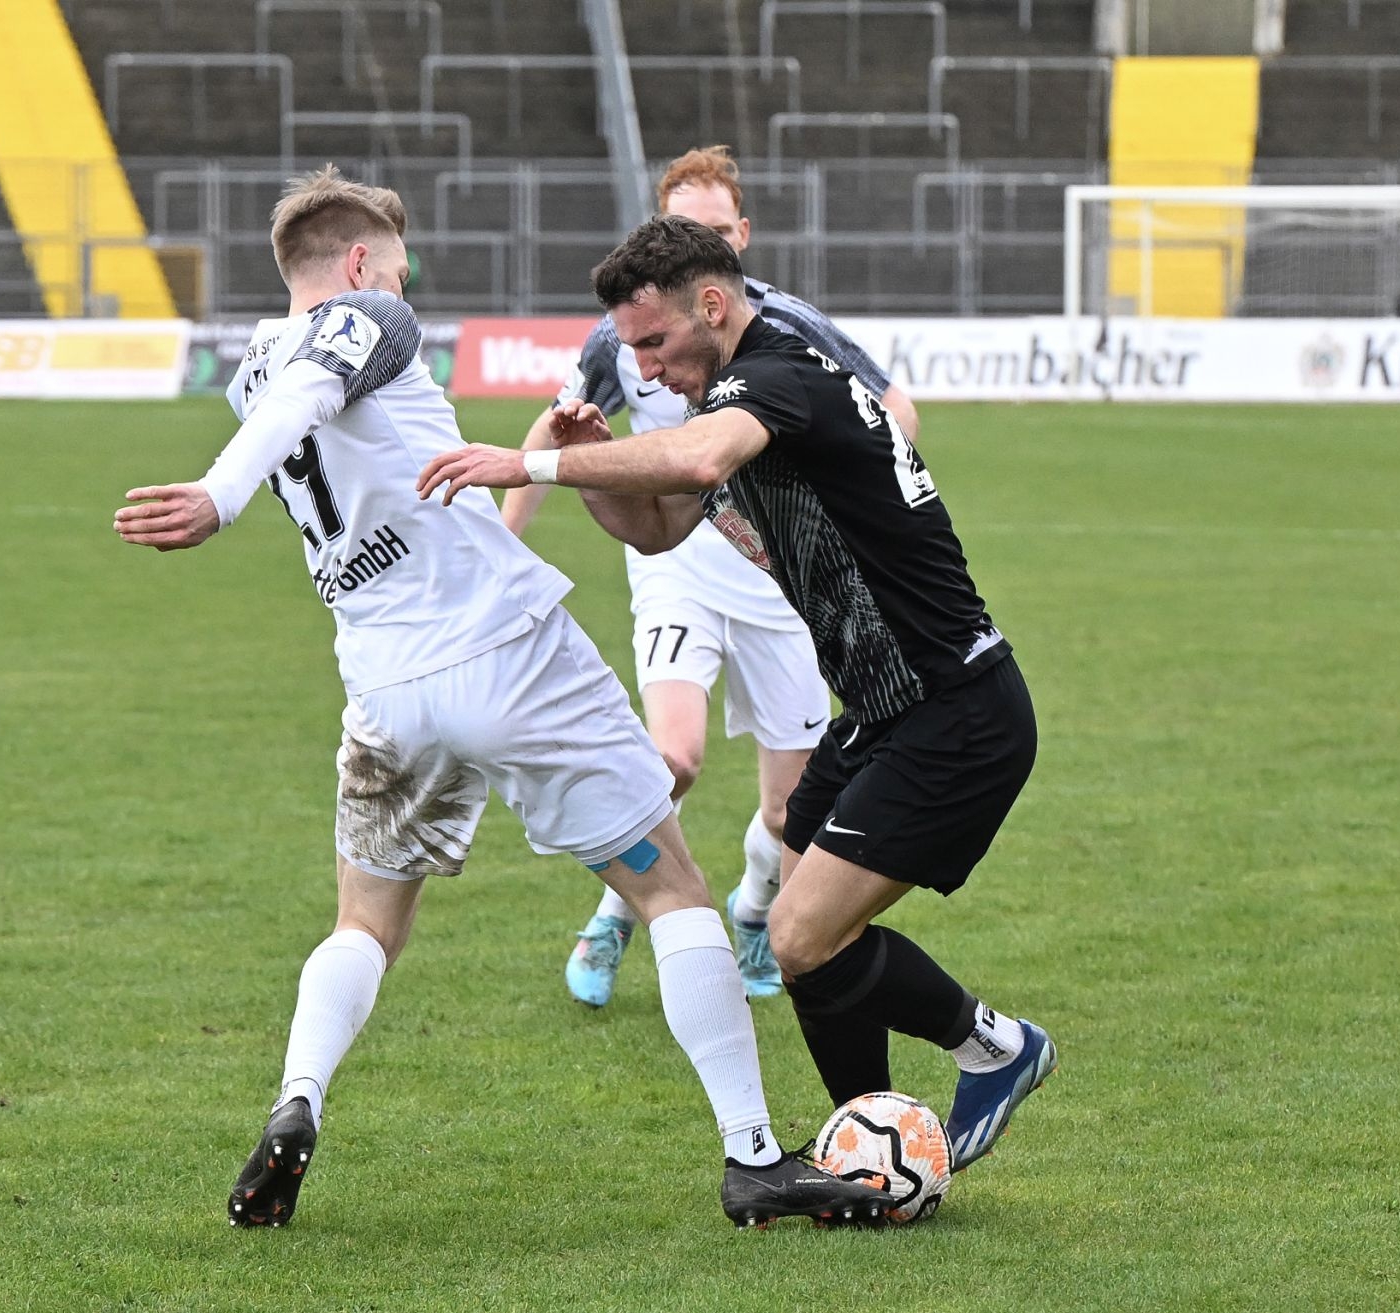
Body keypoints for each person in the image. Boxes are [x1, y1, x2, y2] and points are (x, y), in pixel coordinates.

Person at [112, 169, 890, 1230]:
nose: (403, 286)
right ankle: (753, 1155)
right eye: (395, 262)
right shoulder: (367, 316)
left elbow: (295, 396)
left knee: (366, 921)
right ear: (354, 266)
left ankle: (298, 1097)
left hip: (385, 685)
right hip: (510, 653)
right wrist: (218, 495)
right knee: (672, 890)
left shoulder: (252, 361)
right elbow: (317, 389)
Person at [418, 215, 1058, 1173]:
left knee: (796, 934)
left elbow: (697, 462)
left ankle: (994, 1046)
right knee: (804, 911)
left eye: (652, 342)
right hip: (885, 709)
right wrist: (593, 463)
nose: (639, 365)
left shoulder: (779, 372)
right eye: (627, 348)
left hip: (953, 708)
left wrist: (532, 460)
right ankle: (874, 1149)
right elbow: (657, 528)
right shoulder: (728, 393)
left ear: (711, 305)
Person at [502, 145, 918, 1010]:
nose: (701, 242)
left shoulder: (787, 331)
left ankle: (756, 909)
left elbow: (890, 404)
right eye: (684, 228)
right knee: (672, 757)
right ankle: (619, 912)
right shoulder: (626, 335)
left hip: (780, 584)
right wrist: (504, 552)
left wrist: (881, 498)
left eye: (715, 230)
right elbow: (556, 431)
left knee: (788, 810)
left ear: (740, 239)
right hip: (679, 559)